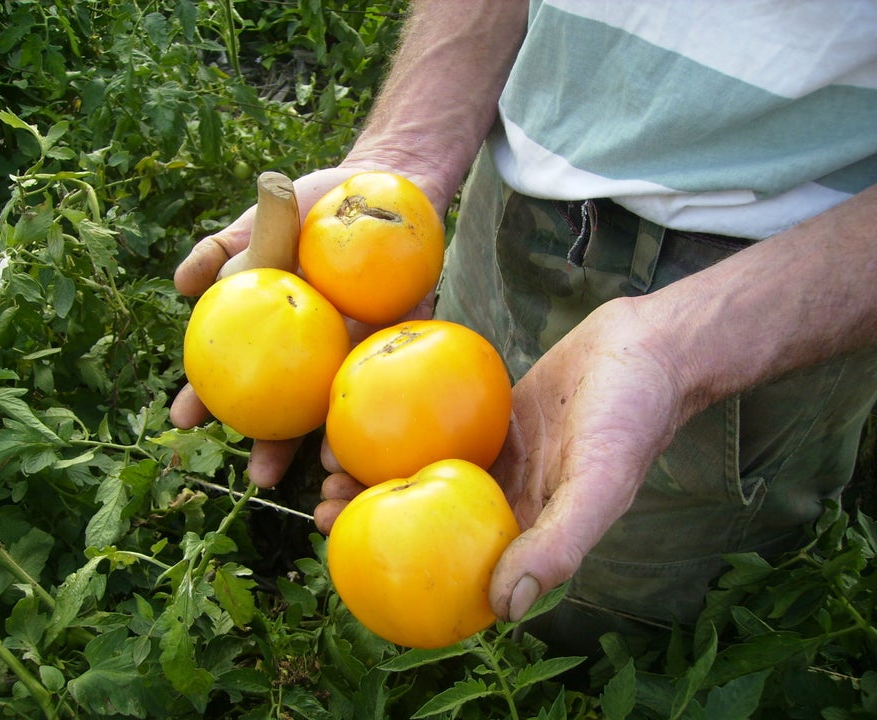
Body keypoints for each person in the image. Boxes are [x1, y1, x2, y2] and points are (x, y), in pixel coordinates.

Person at [171, 1, 877, 653]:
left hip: (780, 271)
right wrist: (407, 158)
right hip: (509, 180)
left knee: (636, 615)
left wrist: (681, 350)